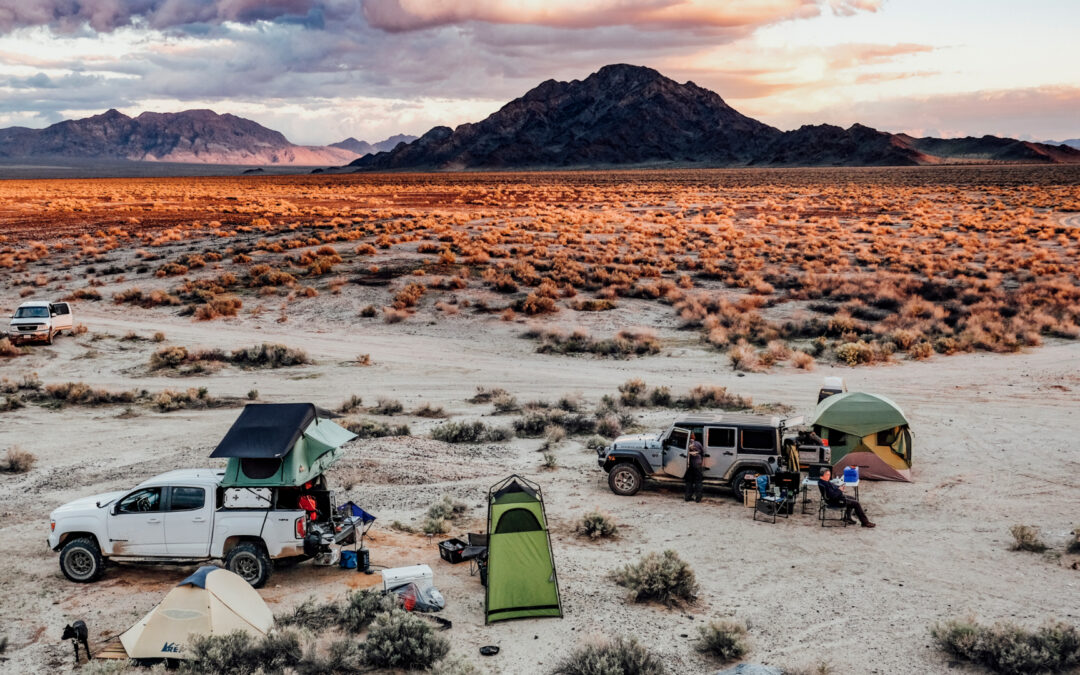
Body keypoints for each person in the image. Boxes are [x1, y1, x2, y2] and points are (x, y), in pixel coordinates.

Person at [685, 432, 704, 503]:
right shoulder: (698, 443)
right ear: (694, 437)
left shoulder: (686, 444)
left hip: (688, 464)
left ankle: (687, 497)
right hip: (697, 464)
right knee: (698, 481)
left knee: (689, 481)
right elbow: (702, 452)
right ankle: (698, 498)